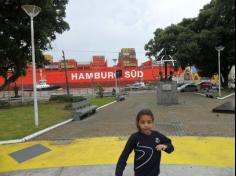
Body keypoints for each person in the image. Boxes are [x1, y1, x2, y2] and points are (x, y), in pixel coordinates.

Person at [115, 109, 174, 176]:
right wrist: (118, 173)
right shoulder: (134, 138)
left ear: (152, 122)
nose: (146, 125)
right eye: (142, 122)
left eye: (149, 122)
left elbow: (171, 147)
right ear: (138, 123)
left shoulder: (157, 136)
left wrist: (165, 146)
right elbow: (123, 157)